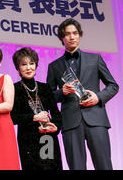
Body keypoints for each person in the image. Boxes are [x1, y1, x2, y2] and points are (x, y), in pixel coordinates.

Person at [47, 18, 119, 170]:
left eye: (75, 33)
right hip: (70, 122)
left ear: (80, 35)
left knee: (104, 165)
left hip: (96, 119)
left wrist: (98, 97)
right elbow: (48, 97)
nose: (71, 37)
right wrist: (62, 92)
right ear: (62, 37)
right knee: (76, 167)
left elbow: (113, 86)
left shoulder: (95, 58)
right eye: (67, 34)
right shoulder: (54, 66)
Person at [11, 47, 62, 170]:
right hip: (28, 139)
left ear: (36, 65)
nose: (29, 68)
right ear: (18, 68)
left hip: (47, 138)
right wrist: (34, 117)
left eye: (31, 63)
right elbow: (13, 117)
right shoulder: (14, 89)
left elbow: (56, 114)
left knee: (50, 167)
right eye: (24, 64)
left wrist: (55, 126)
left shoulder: (45, 88)